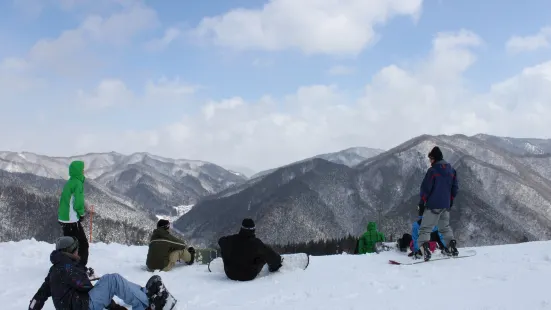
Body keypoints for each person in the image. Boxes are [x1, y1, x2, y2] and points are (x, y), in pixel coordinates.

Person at [28, 236, 172, 310]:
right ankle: (150, 304)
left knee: (107, 281)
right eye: (76, 248)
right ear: (70, 251)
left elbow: (40, 296)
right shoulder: (66, 267)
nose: (78, 251)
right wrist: (113, 306)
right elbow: (85, 286)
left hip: (76, 305)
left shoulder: (55, 269)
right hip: (82, 307)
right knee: (112, 280)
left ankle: (142, 293)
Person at [417, 146, 459, 261]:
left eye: (431, 159)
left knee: (425, 228)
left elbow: (425, 189)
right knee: (444, 227)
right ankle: (452, 246)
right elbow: (455, 188)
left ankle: (424, 249)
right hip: (445, 205)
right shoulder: (451, 170)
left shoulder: (433, 171)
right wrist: (450, 200)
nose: (430, 161)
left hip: (433, 205)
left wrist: (422, 203)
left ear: (434, 158)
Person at [58, 160, 94, 277]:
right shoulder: (77, 183)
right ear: (79, 171)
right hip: (72, 220)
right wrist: (82, 214)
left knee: (68, 245)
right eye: (83, 169)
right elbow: (78, 203)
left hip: (64, 219)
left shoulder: (69, 183)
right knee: (83, 244)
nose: (84, 171)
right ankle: (80, 268)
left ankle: (65, 266)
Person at [218, 218, 282, 281]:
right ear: (253, 230)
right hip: (248, 275)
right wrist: (276, 263)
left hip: (230, 273)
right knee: (262, 254)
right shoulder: (256, 243)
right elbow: (272, 257)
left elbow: (220, 241)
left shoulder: (231, 240)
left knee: (227, 249)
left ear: (241, 228)